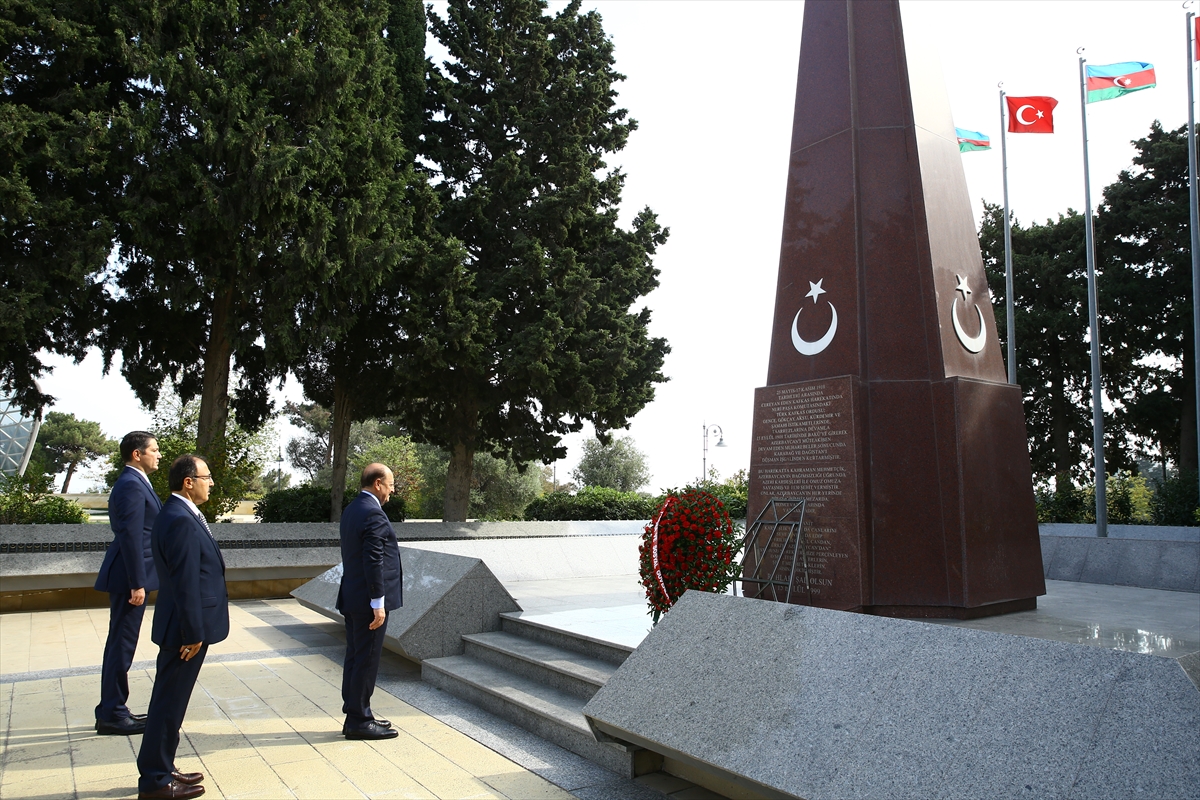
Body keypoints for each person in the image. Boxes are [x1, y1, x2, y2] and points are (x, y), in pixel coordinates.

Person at [136, 455, 228, 800]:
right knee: (167, 703)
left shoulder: (181, 514)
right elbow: (185, 580)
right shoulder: (178, 519)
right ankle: (156, 782)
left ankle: (163, 765)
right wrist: (193, 633)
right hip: (184, 631)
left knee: (171, 702)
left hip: (184, 626)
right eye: (207, 476)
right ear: (188, 481)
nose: (211, 483)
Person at [94, 431, 162, 735]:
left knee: (121, 644)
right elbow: (132, 536)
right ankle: (112, 712)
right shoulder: (131, 485)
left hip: (133, 576)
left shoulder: (135, 482)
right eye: (154, 450)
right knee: (121, 645)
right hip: (129, 578)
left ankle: (113, 708)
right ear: (137, 454)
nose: (158, 455)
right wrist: (138, 583)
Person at [337, 463, 403, 740]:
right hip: (368, 602)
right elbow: (373, 559)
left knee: (355, 657)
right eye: (390, 485)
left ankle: (356, 710)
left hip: (352, 597)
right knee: (366, 659)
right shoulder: (374, 513)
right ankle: (359, 721)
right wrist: (378, 603)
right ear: (377, 484)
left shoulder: (352, 509)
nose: (392, 490)